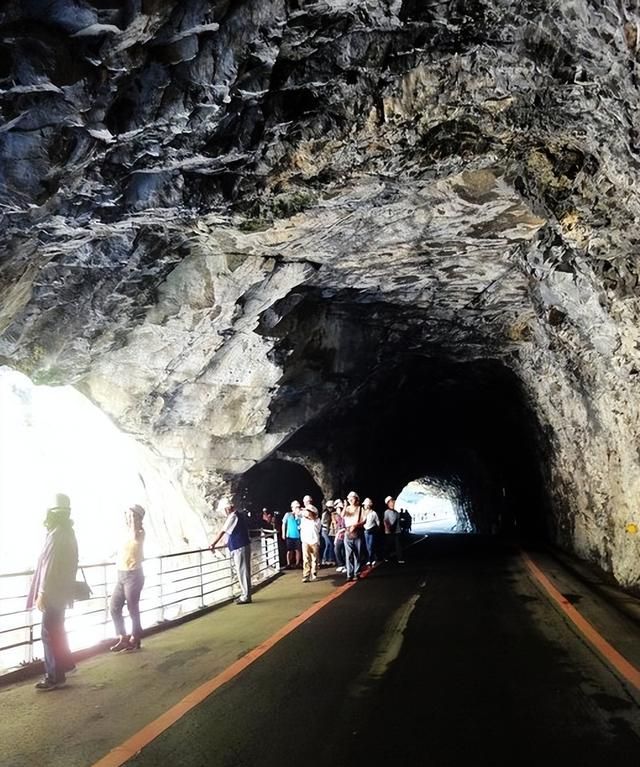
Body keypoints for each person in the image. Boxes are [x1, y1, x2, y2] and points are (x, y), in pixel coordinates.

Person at [27, 493, 79, 691]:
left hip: (53, 593)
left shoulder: (56, 536)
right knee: (57, 629)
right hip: (62, 591)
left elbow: (48, 567)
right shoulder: (69, 534)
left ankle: (54, 677)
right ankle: (67, 664)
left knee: (48, 633)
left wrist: (42, 593)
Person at [109, 504, 146, 652]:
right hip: (121, 574)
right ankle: (123, 638)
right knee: (114, 607)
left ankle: (135, 637)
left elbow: (134, 537)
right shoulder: (124, 531)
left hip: (134, 575)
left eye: (132, 515)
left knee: (132, 608)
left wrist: (133, 519)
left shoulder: (140, 532)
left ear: (138, 518)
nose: (128, 517)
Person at [210, 497, 252, 604]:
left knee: (242, 571)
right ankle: (245, 594)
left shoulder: (233, 516)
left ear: (227, 508)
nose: (223, 512)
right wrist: (225, 543)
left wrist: (213, 544)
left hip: (240, 547)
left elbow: (223, 531)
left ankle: (246, 596)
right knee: (242, 571)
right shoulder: (238, 515)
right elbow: (230, 532)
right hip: (240, 546)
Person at [342, 491, 365, 581]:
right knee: (348, 555)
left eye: (353, 497)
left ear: (357, 499)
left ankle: (357, 573)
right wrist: (344, 506)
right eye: (349, 498)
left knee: (357, 554)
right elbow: (342, 515)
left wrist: (355, 525)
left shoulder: (360, 509)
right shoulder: (347, 509)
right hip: (348, 532)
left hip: (357, 532)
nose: (351, 499)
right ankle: (349, 574)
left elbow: (364, 521)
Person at [299, 504, 321, 582]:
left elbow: (317, 529)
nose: (307, 513)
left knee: (314, 558)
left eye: (309, 511)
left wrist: (311, 517)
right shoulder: (303, 520)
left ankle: (314, 573)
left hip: (314, 541)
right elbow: (299, 513)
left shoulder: (317, 520)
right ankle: (306, 575)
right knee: (306, 558)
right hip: (305, 541)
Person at [384, 495, 404, 563]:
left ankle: (400, 558)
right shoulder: (386, 512)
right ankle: (386, 556)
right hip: (389, 532)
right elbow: (385, 521)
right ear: (388, 503)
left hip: (397, 531)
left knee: (398, 545)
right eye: (391, 502)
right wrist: (388, 529)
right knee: (389, 545)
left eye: (393, 501)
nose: (393, 503)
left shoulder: (396, 512)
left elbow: (399, 522)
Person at [282, 500, 302, 569]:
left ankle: (297, 563)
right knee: (289, 550)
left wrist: (298, 516)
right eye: (295, 507)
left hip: (297, 535)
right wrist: (283, 533)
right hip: (289, 535)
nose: (297, 508)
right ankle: (288, 564)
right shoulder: (288, 514)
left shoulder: (300, 516)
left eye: (298, 507)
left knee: (297, 550)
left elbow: (300, 524)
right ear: (292, 507)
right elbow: (284, 524)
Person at [362, 497, 380, 566]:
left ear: (370, 505)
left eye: (367, 505)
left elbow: (377, 521)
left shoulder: (373, 513)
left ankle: (372, 559)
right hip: (365, 530)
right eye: (365, 505)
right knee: (367, 546)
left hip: (372, 530)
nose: (366, 506)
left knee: (371, 545)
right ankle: (370, 559)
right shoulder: (363, 513)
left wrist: (378, 528)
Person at [320, 500, 336, 565]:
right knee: (329, 544)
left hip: (328, 531)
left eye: (331, 507)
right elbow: (322, 522)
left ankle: (329, 559)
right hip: (324, 530)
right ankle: (325, 559)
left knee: (329, 544)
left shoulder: (331, 513)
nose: (330, 509)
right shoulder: (325, 514)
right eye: (329, 507)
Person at [333, 500, 346, 573]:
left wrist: (337, 534)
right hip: (339, 536)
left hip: (343, 536)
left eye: (339, 508)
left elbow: (344, 528)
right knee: (338, 550)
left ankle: (345, 565)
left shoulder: (344, 517)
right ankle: (341, 565)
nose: (337, 510)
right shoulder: (338, 517)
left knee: (342, 551)